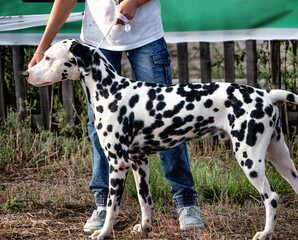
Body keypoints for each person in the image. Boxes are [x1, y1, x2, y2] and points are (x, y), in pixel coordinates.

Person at [28, 0, 204, 232]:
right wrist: (43, 49)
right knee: (98, 126)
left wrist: (135, 2)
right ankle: (103, 205)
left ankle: (185, 204)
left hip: (146, 37)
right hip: (96, 43)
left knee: (171, 117)